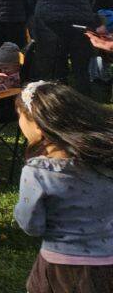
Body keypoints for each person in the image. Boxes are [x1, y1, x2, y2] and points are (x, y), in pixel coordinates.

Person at [14, 81, 113, 292]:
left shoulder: (38, 172)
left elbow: (31, 224)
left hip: (60, 266)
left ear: (38, 126)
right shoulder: (104, 160)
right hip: (107, 262)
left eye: (20, 116)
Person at [28, 0, 103, 95]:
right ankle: (85, 100)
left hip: (49, 20)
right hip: (79, 20)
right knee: (80, 67)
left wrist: (37, 9)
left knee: (55, 64)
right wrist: (85, 9)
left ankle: (59, 100)